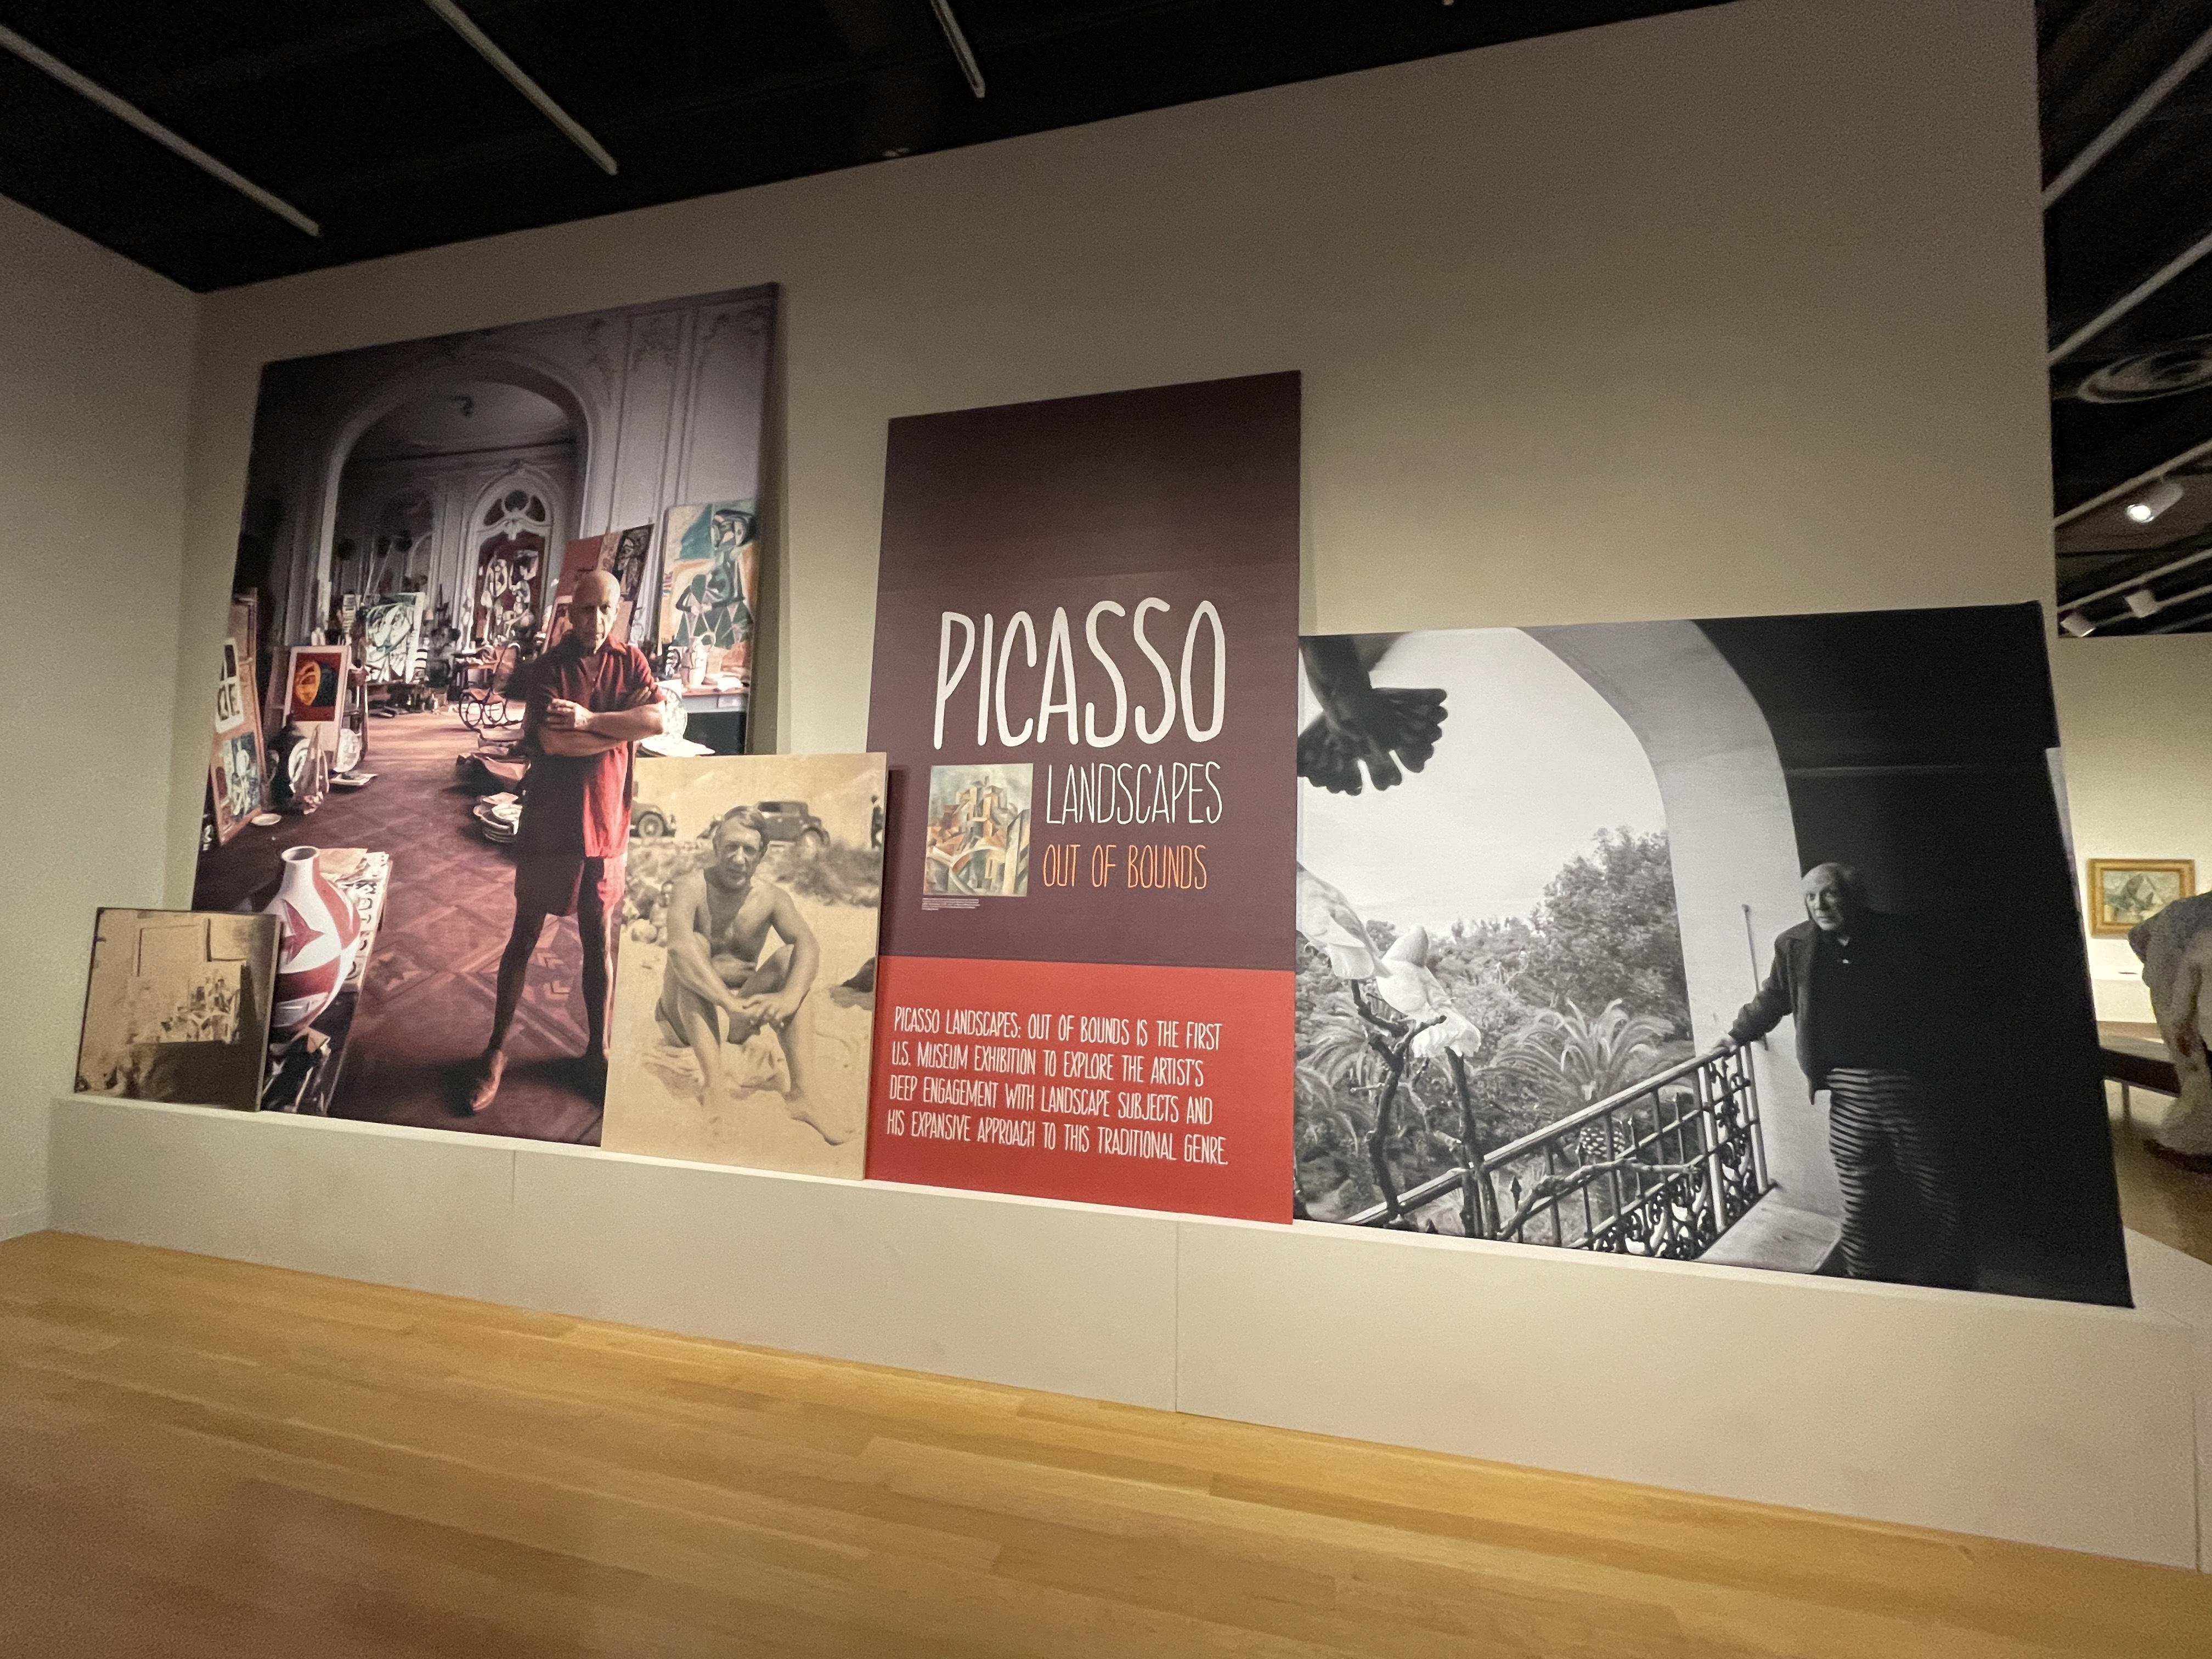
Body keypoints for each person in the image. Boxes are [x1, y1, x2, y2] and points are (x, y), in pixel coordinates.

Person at [464, 569, 663, 1111]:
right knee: (524, 936)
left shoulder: (632, 661)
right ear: (571, 612)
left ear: (617, 611)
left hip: (607, 826)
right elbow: (554, 742)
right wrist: (618, 730)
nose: (596, 620)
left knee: (598, 944)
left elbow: (656, 721)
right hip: (552, 825)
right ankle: (495, 1049)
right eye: (586, 609)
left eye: (606, 609)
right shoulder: (549, 667)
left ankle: (597, 1052)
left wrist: (590, 719)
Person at [1721, 862, 1973, 1289]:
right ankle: (1863, 1277)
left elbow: (1944, 1004)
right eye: (1811, 897)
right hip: (1847, 1090)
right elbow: (1775, 997)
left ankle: (1950, 1274)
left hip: (1908, 1087)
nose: (1820, 905)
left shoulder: (1902, 937)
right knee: (1859, 1189)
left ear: (1856, 898)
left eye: (1831, 894)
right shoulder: (1795, 945)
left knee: (1935, 1182)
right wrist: (1735, 1035)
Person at [656, 806, 844, 1142]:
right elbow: (679, 951)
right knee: (695, 946)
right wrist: (727, 1002)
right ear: (716, 845)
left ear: (762, 853)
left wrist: (788, 999)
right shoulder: (690, 887)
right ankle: (714, 1088)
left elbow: (809, 946)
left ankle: (804, 1093)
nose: (738, 859)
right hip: (685, 1019)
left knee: (791, 957)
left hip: (739, 1016)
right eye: (731, 847)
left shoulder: (772, 897)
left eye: (749, 850)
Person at [2130, 892, 2212, 1172]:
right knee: (2200, 1075)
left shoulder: (2188, 916)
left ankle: (2185, 1142)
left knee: (2198, 1074)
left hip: (2186, 1005)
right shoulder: (2194, 917)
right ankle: (2186, 1143)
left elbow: (2138, 937)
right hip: (2192, 1008)